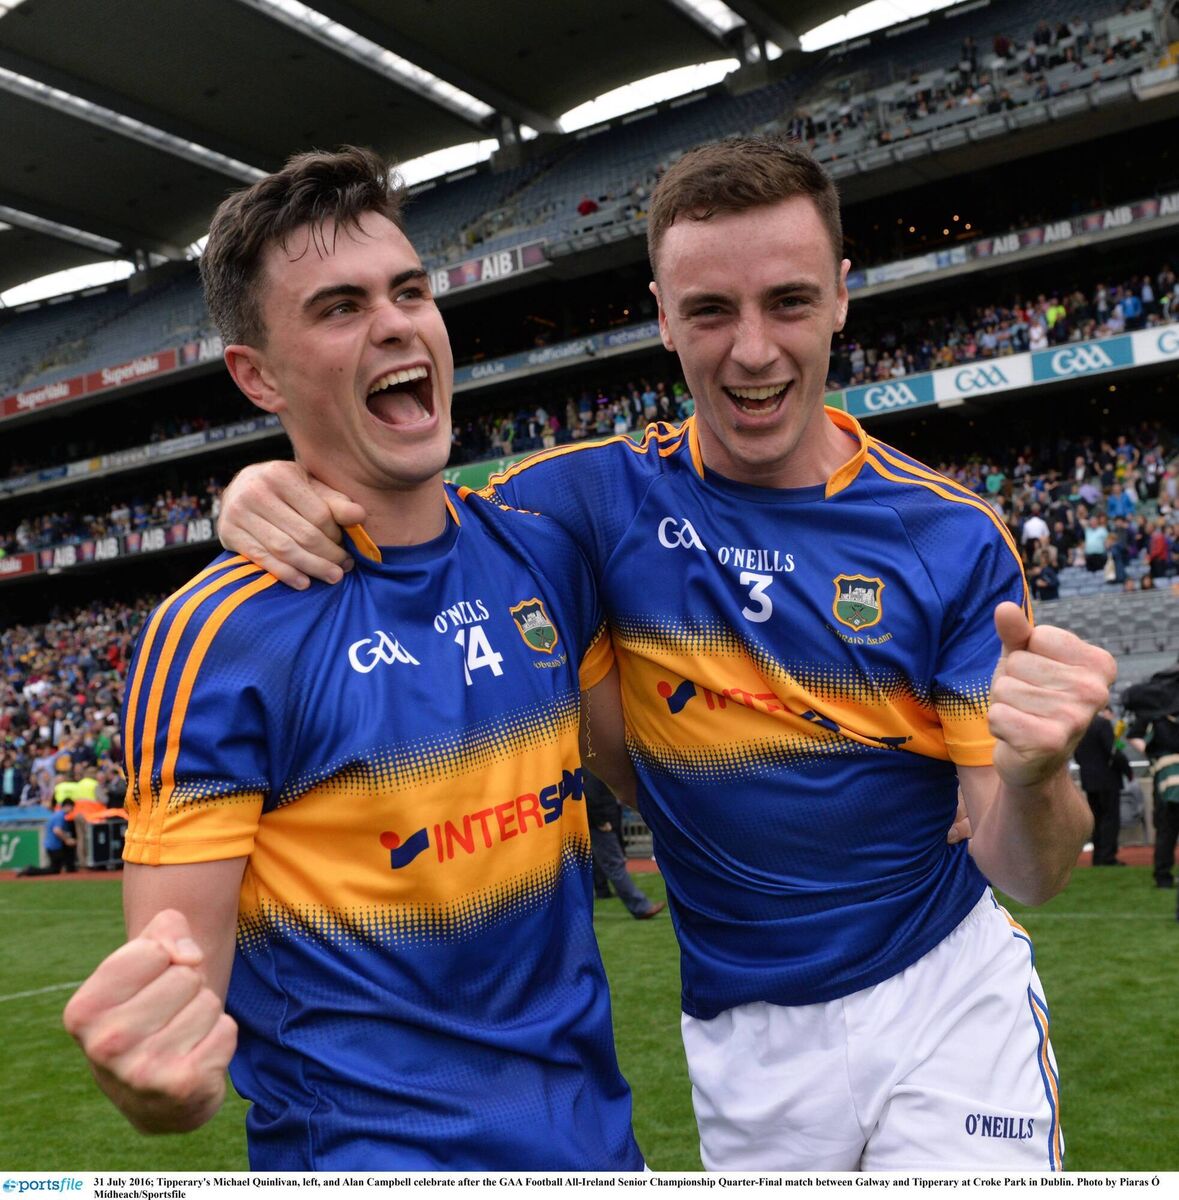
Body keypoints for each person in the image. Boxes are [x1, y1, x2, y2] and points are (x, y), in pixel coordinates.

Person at [218, 136, 1115, 1171]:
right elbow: (402, 510)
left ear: (840, 297)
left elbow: (1027, 870)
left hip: (943, 998)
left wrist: (1036, 776)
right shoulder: (589, 503)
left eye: (788, 301)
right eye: (710, 311)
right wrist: (260, 488)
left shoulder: (950, 537)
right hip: (744, 1044)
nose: (752, 351)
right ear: (661, 315)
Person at [61, 148, 643, 1173]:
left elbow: (656, 778)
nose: (395, 323)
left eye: (409, 291)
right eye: (339, 307)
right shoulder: (217, 639)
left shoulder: (544, 557)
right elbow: (175, 1006)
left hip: (600, 1150)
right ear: (257, 376)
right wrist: (156, 1078)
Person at [1122, 658, 1179, 893]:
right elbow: (1133, 733)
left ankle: (1163, 875)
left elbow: (1133, 731)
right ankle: (1162, 874)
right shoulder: (1157, 706)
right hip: (1168, 773)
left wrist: (1153, 754)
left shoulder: (1156, 703)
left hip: (1165, 773)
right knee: (1167, 827)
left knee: (1166, 828)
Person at [584, 767, 665, 919]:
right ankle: (641, 907)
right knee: (614, 864)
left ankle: (602, 891)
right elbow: (591, 794)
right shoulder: (591, 768)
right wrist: (601, 821)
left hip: (597, 821)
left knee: (596, 863)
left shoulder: (587, 765)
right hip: (600, 823)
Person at [1073, 708, 1130, 866]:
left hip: (1089, 780)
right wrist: (1127, 770)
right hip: (1107, 779)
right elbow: (1112, 751)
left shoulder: (1081, 726)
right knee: (1110, 818)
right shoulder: (1103, 724)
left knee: (1097, 819)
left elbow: (1077, 754)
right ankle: (1107, 856)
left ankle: (1098, 856)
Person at [17, 797, 77, 876]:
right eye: (72, 807)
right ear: (67, 806)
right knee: (54, 869)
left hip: (51, 844)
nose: (72, 810)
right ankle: (30, 870)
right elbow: (57, 830)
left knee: (55, 868)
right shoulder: (60, 816)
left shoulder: (57, 814)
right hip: (54, 846)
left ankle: (30, 870)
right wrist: (67, 840)